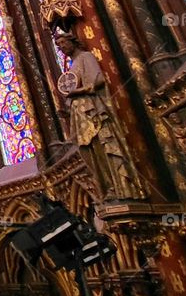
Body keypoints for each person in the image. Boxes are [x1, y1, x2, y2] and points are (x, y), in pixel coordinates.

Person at [53, 29, 144, 200]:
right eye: (58, 46)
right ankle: (107, 186)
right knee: (90, 152)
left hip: (93, 109)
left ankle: (121, 187)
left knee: (102, 145)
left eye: (63, 43)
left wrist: (76, 93)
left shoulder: (85, 57)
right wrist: (67, 111)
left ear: (73, 40)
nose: (62, 48)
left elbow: (98, 81)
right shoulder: (73, 65)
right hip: (81, 114)